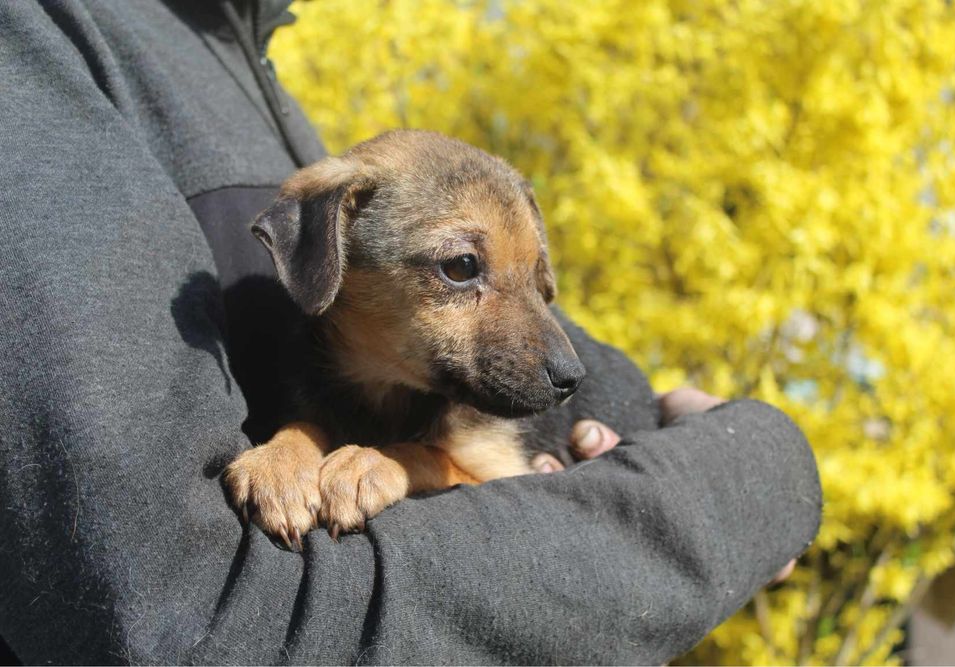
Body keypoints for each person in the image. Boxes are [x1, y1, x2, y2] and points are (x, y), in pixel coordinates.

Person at [0, 0, 821, 663]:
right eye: (461, 267)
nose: (547, 335)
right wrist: (746, 486)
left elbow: (560, 380)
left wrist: (680, 419)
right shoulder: (45, 45)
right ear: (320, 246)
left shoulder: (252, 67)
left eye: (537, 286)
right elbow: (193, 614)